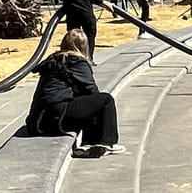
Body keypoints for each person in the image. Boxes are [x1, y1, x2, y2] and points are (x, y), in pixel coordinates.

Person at [25, 28, 125, 158]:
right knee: (105, 100)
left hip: (39, 119)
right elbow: (91, 91)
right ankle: (106, 142)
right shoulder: (76, 61)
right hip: (56, 116)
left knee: (85, 102)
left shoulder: (54, 59)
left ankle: (90, 143)